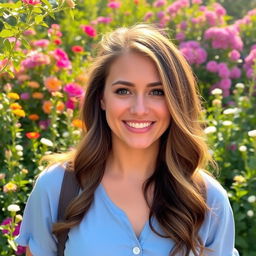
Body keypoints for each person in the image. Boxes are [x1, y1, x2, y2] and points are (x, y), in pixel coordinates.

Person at [15, 23, 239, 256]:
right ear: (102, 97)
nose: (139, 109)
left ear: (176, 100)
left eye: (157, 92)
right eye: (123, 91)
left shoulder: (210, 201)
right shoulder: (56, 187)